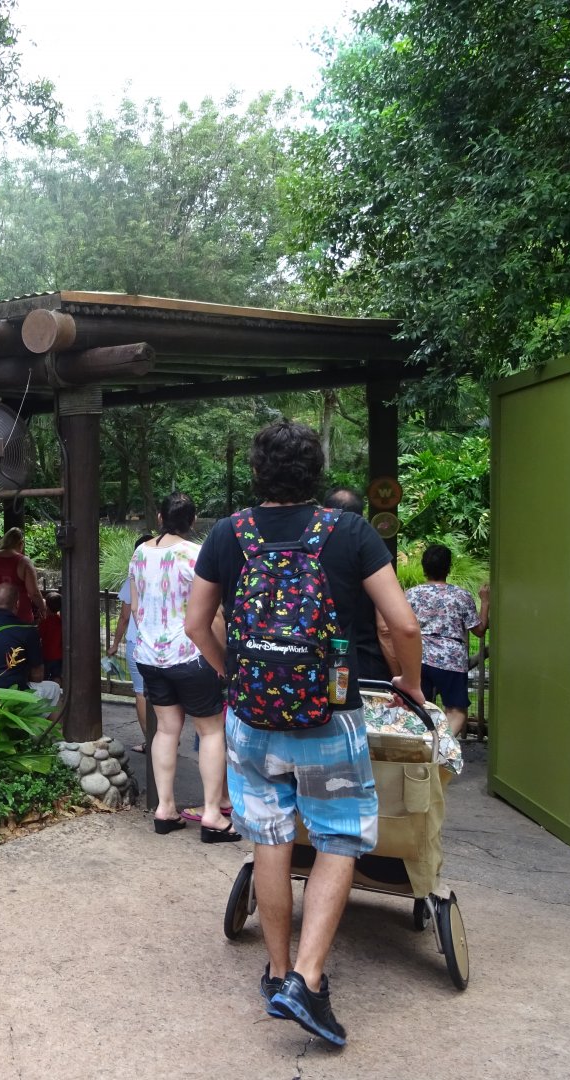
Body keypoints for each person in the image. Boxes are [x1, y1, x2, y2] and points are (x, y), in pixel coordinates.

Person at [184, 420, 423, 1048]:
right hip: (330, 718)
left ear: (257, 472)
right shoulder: (350, 532)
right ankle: (309, 982)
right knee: (339, 838)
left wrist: (231, 673)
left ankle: (279, 968)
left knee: (267, 835)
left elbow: (195, 623)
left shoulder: (227, 534)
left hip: (252, 719)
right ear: (316, 472)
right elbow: (403, 623)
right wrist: (413, 686)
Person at [130, 492, 232, 842]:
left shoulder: (141, 553)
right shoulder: (196, 555)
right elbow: (213, 613)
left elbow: (137, 603)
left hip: (149, 655)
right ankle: (213, 815)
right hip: (190, 655)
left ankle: (165, 809)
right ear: (192, 520)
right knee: (211, 731)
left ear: (159, 517)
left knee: (166, 730)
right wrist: (222, 659)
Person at [406, 543, 489, 737]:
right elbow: (479, 630)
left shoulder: (411, 594)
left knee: (418, 706)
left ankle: (422, 746)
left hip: (418, 657)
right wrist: (485, 602)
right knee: (456, 709)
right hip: (451, 660)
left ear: (424, 567)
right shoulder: (461, 596)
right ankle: (442, 748)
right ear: (448, 568)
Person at [324, 487, 397, 681]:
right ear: (361, 514)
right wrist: (400, 675)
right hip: (367, 665)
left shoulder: (312, 551)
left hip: (322, 664)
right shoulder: (366, 547)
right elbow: (385, 628)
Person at [0, 582, 62, 712]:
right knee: (54, 688)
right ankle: (54, 731)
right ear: (17, 604)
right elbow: (38, 676)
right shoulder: (27, 631)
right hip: (11, 697)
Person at [107, 533, 154, 754]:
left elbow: (125, 617)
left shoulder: (133, 579)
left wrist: (115, 643)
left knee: (141, 693)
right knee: (161, 691)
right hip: (162, 641)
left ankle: (151, 741)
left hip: (138, 641)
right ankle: (167, 737)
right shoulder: (163, 574)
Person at [0, 526, 46, 623]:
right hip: (18, 616)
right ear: (20, 543)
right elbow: (33, 593)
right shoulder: (24, 562)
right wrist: (42, 607)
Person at [38, 592, 63, 680]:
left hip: (46, 655)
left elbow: (38, 635)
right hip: (59, 655)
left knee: (44, 677)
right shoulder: (61, 621)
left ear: (46, 607)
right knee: (56, 676)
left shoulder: (44, 622)